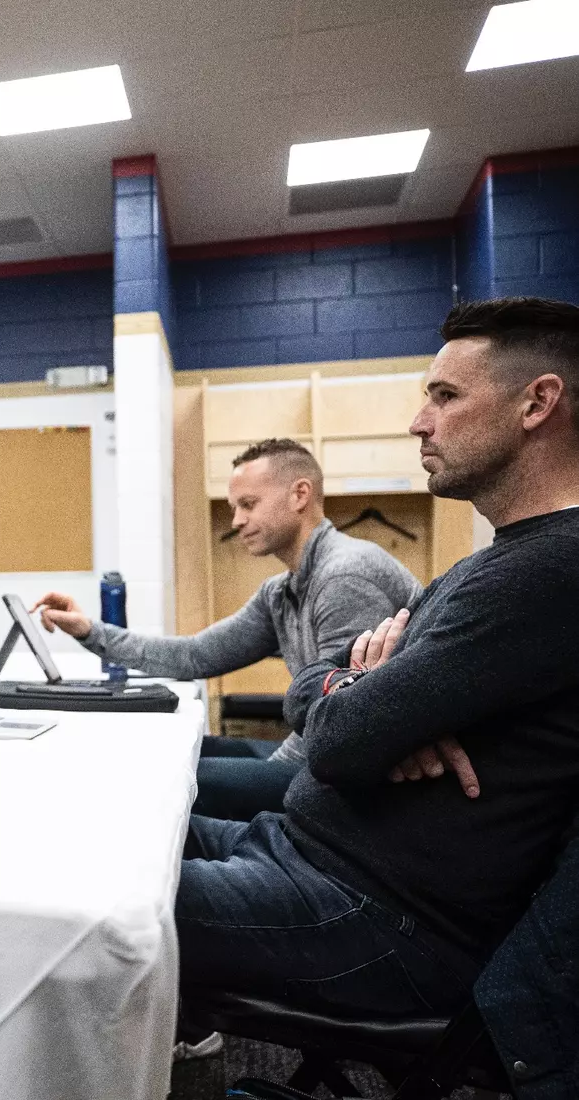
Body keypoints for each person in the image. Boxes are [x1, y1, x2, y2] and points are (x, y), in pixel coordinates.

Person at [179, 297, 579, 1031]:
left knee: (81, 903)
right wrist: (369, 697)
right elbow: (319, 691)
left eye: (445, 395)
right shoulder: (491, 565)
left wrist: (371, 712)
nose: (419, 421)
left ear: (538, 404)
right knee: (115, 835)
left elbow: (333, 742)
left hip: (377, 918)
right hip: (303, 852)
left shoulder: (552, 569)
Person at [33, 438, 421, 820]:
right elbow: (195, 654)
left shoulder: (346, 576)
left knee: (177, 780)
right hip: (320, 750)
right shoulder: (282, 590)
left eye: (249, 505)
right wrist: (89, 631)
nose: (236, 521)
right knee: (180, 751)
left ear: (300, 494)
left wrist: (257, 777)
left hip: (358, 779)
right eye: (235, 508)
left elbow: (341, 723)